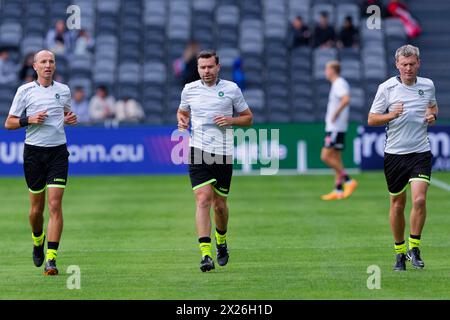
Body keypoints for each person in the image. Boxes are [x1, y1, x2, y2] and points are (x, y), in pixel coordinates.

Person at [177, 50, 253, 272]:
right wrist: (182, 122)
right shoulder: (189, 90)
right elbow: (182, 113)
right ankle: (205, 255)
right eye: (202, 67)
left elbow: (248, 118)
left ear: (218, 67)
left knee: (219, 206)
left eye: (210, 67)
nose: (206, 71)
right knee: (203, 199)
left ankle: (222, 242)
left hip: (223, 153)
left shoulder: (231, 89)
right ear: (198, 69)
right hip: (198, 150)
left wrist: (230, 120)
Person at [4, 50, 77, 276]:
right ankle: (38, 240)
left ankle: (51, 259)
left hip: (57, 153)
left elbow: (64, 114)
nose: (48, 65)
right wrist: (29, 120)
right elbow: (9, 123)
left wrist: (68, 119)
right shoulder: (24, 91)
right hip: (34, 154)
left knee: (55, 205)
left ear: (55, 66)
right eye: (43, 61)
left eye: (51, 61)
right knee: (36, 209)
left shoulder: (63, 90)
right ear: (35, 66)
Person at [368, 45, 437, 271]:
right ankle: (399, 253)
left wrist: (431, 115)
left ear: (418, 63)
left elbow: (433, 108)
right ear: (397, 65)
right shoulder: (386, 88)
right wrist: (391, 115)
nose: (408, 68)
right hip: (395, 154)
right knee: (397, 204)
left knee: (419, 200)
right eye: (404, 64)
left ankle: (414, 248)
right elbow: (372, 119)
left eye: (412, 64)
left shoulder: (427, 85)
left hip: (420, 151)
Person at [320, 61, 358, 200]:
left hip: (335, 127)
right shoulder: (338, 84)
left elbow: (346, 99)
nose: (325, 72)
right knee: (336, 158)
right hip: (337, 127)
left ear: (332, 70)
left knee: (325, 156)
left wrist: (336, 113)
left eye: (326, 69)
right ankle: (338, 190)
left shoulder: (339, 83)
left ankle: (348, 180)